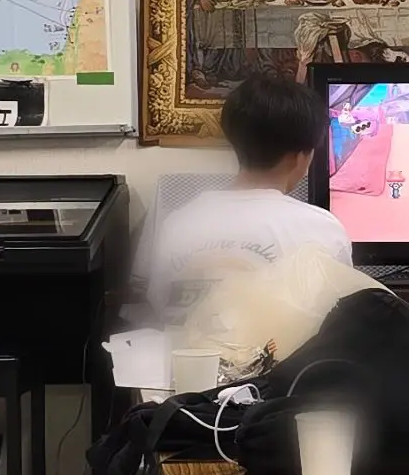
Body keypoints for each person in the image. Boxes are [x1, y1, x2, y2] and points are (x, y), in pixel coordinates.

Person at [135, 75, 352, 330]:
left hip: (188, 354)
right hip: (286, 356)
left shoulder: (177, 222)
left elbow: (157, 303)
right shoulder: (323, 229)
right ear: (300, 157)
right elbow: (337, 316)